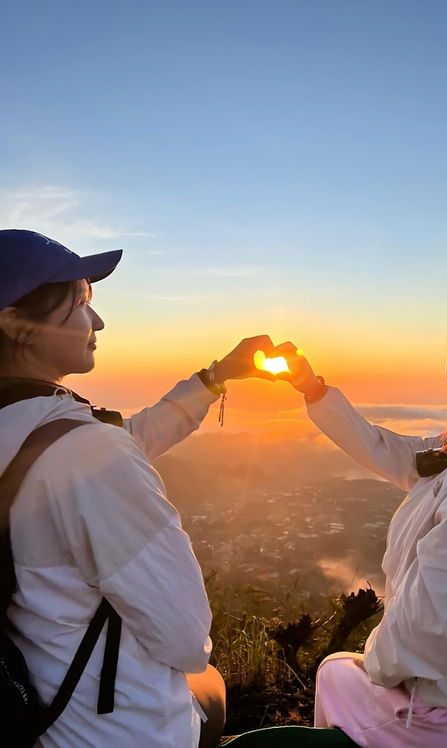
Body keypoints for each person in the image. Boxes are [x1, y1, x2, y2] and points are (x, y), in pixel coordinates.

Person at [0, 229, 276, 748]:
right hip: (117, 733)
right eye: (81, 301)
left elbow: (117, 442)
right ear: (18, 325)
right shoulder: (87, 453)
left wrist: (215, 377)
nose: (97, 320)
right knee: (209, 679)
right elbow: (187, 638)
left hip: (32, 713)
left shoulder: (22, 430)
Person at [276, 297, 447, 747]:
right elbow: (384, 448)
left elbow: (422, 643)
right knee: (340, 670)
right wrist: (313, 388)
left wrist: (377, 662)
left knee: (335, 674)